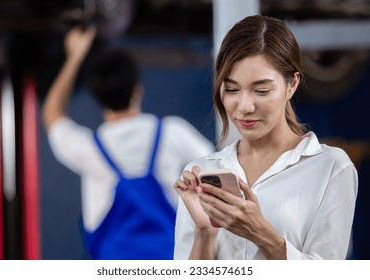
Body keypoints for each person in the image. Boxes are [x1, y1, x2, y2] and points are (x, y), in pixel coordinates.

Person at [173, 15, 358, 260]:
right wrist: (205, 232)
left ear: (292, 84)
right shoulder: (205, 171)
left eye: (261, 90)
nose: (244, 106)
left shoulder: (331, 167)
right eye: (231, 89)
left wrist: (261, 233)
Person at [42, 26, 215, 260]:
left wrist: (75, 56)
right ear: (138, 91)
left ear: (98, 98)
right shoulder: (173, 132)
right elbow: (218, 169)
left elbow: (52, 114)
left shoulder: (89, 148)